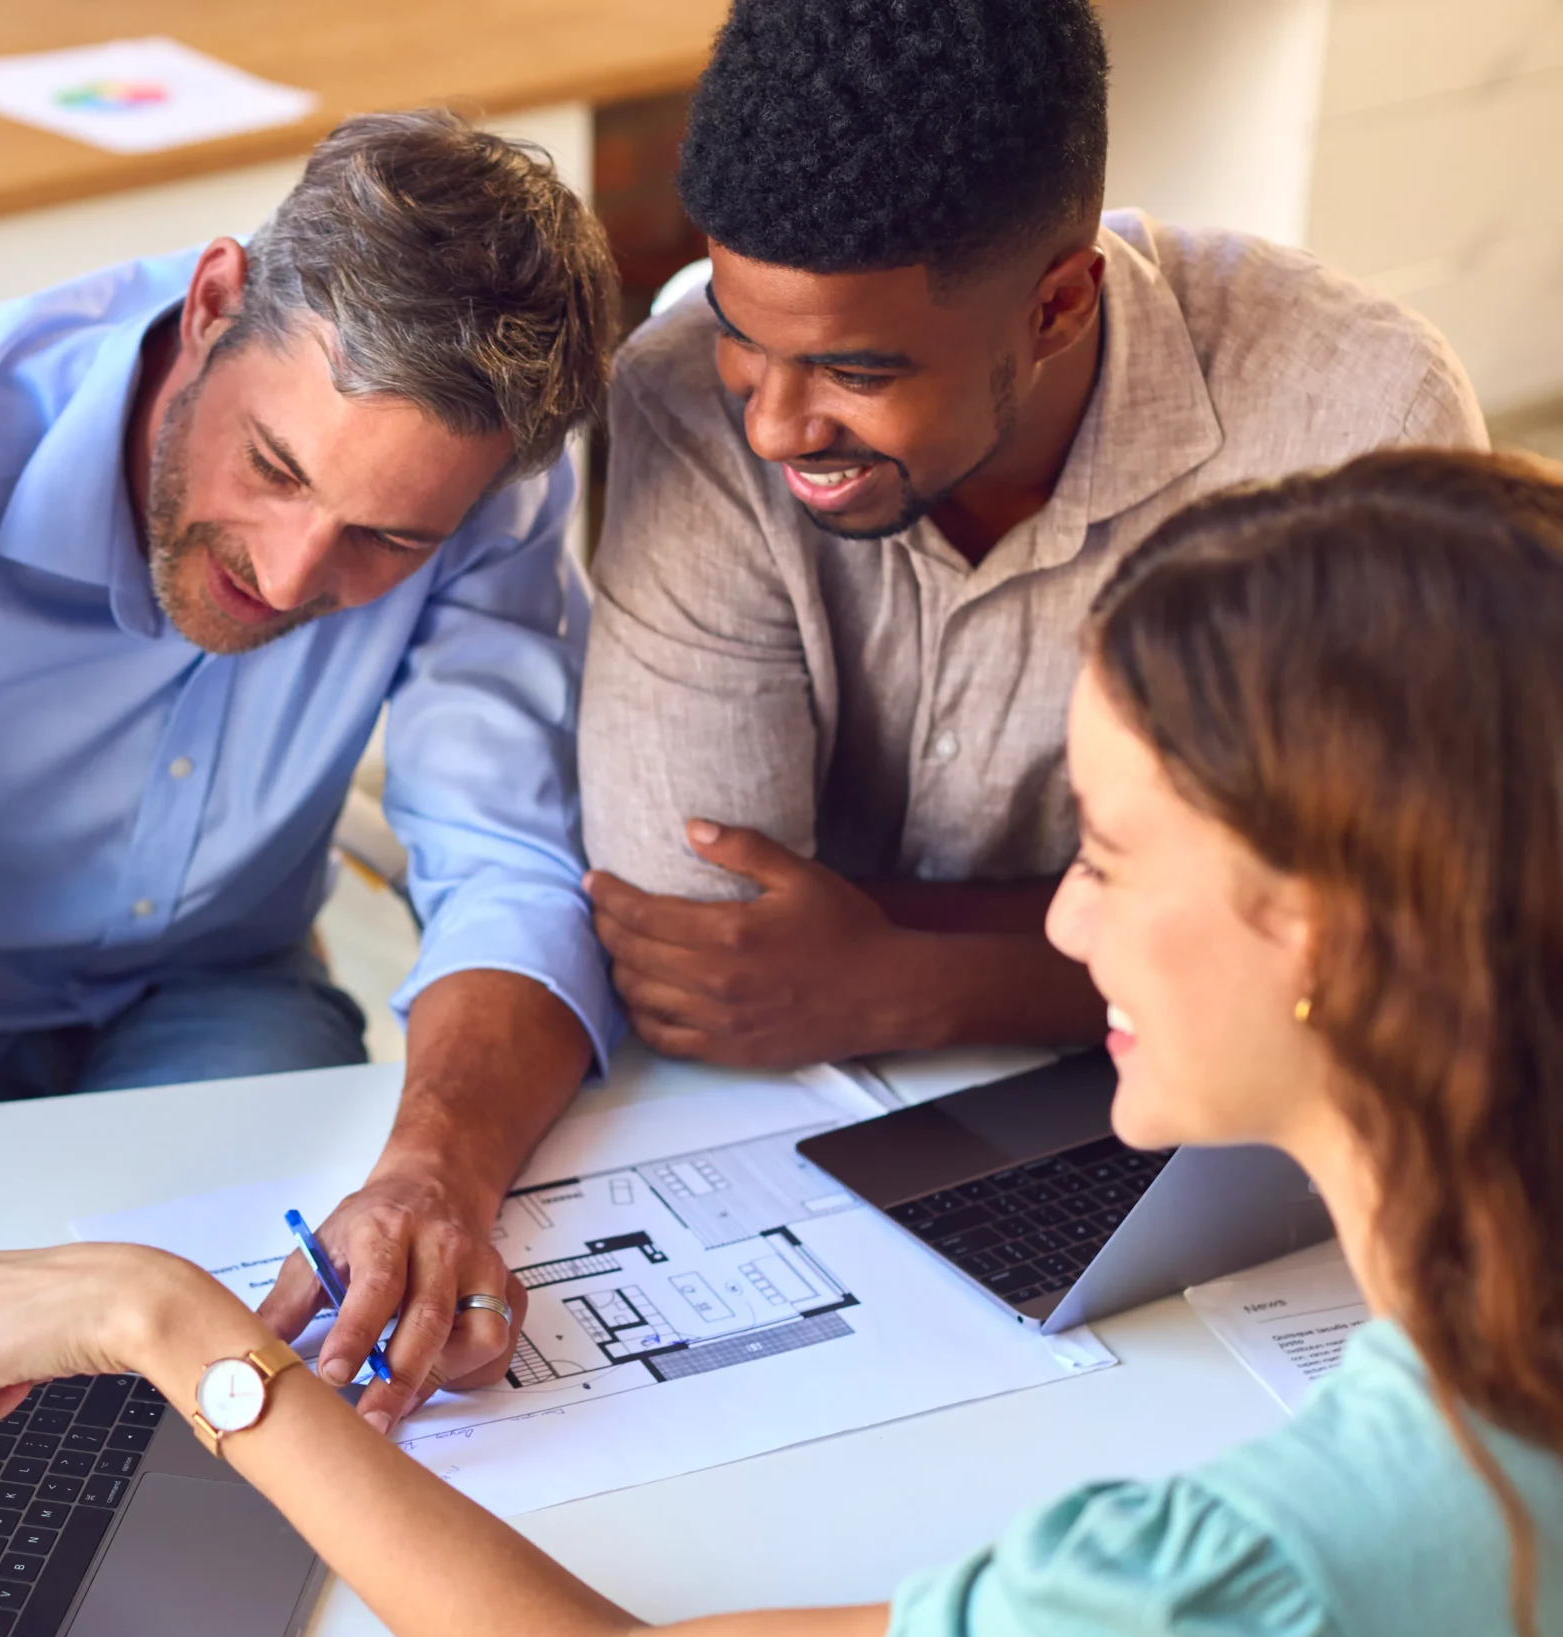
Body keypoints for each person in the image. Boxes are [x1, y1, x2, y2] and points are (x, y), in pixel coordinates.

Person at [0, 448, 1563, 1637]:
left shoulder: (1233, 1591)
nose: (1068, 928)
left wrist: (178, 1326)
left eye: (1103, 852)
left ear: (1325, 932)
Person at [0, 110, 620, 1427]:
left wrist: (438, 1166)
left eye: (384, 537)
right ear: (212, 305)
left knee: (290, 1393)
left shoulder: (491, 499)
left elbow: (508, 863)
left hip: (216, 997)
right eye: (273, 467)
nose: (294, 574)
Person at [577, 0, 1487, 1070]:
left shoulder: (1360, 423)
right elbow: (703, 935)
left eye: (858, 372)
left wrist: (912, 986)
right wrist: (1184, 916)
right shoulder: (684, 399)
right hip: (795, 1100)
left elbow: (1393, 920)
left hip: (1235, 1087)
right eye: (742, 336)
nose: (774, 426)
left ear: (1058, 307)